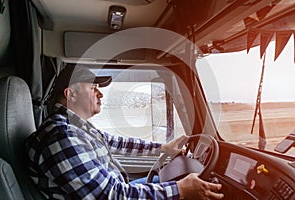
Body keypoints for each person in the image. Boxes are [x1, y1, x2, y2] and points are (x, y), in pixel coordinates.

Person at [25, 64, 224, 200]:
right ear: (71, 94)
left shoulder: (76, 128)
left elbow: (114, 142)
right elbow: (111, 196)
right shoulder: (61, 137)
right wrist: (181, 190)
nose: (100, 93)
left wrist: (163, 148)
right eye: (93, 87)